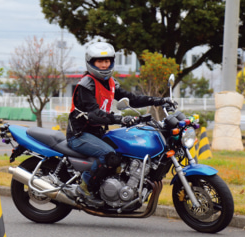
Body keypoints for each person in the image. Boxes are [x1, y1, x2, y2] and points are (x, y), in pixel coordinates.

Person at [67, 42, 173, 207]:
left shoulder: (110, 83)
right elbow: (95, 114)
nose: (104, 65)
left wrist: (159, 101)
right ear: (91, 62)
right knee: (108, 155)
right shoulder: (86, 85)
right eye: (99, 61)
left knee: (122, 153)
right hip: (79, 134)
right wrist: (120, 119)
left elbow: (133, 99)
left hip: (97, 134)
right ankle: (84, 188)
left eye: (107, 61)